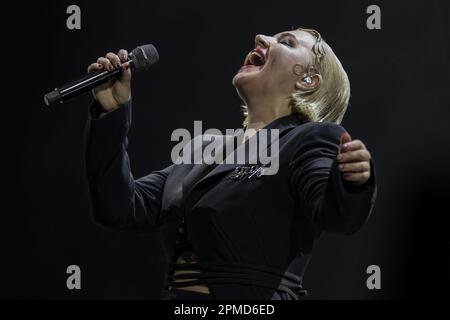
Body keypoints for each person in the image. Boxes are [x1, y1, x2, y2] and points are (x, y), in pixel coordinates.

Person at [85, 27, 377, 300]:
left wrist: (352, 182)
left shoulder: (311, 139)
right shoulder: (202, 149)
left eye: (286, 42)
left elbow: (336, 214)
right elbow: (119, 207)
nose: (260, 37)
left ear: (307, 79)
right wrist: (112, 113)